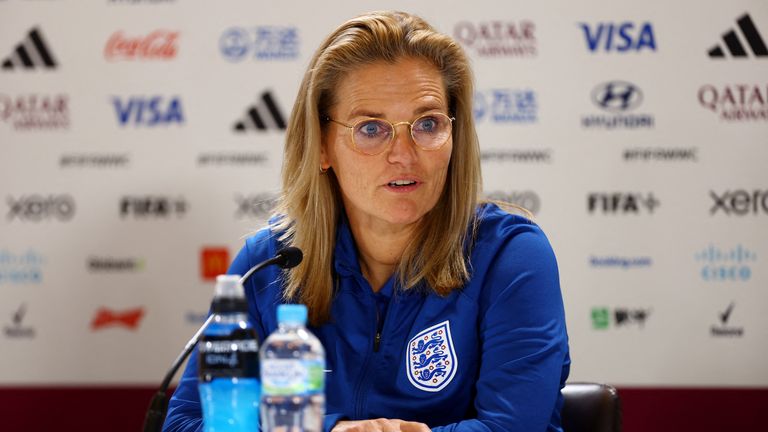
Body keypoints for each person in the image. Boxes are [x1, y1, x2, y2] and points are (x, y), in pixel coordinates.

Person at [164, 10, 570, 432]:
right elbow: (189, 423)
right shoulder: (267, 264)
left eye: (427, 124)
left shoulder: (509, 256)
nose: (404, 154)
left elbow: (515, 428)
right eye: (371, 128)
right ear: (322, 147)